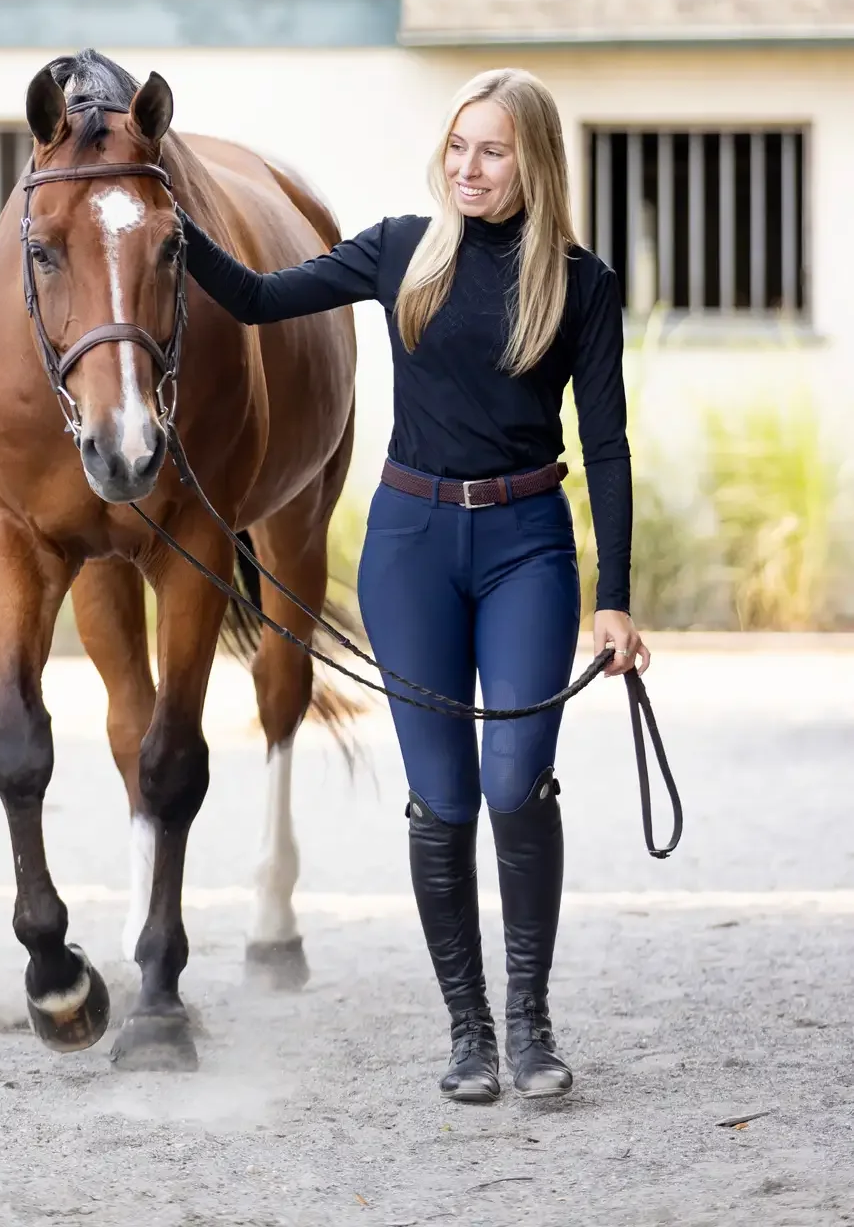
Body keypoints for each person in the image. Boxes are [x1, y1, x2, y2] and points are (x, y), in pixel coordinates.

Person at [178, 67, 648, 1103]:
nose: (467, 168)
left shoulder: (579, 282)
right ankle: (468, 1033)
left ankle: (529, 1024)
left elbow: (605, 448)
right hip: (409, 546)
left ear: (531, 161)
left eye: (491, 150)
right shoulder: (400, 248)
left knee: (514, 781)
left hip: (527, 537)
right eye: (455, 146)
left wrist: (612, 594)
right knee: (440, 795)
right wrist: (174, 221)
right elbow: (258, 300)